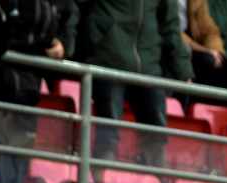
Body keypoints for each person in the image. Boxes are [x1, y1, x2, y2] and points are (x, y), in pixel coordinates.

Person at [77, 0, 192, 165]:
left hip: (149, 65)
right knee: (107, 137)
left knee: (156, 139)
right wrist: (95, 36)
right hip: (109, 58)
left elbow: (170, 25)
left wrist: (182, 68)